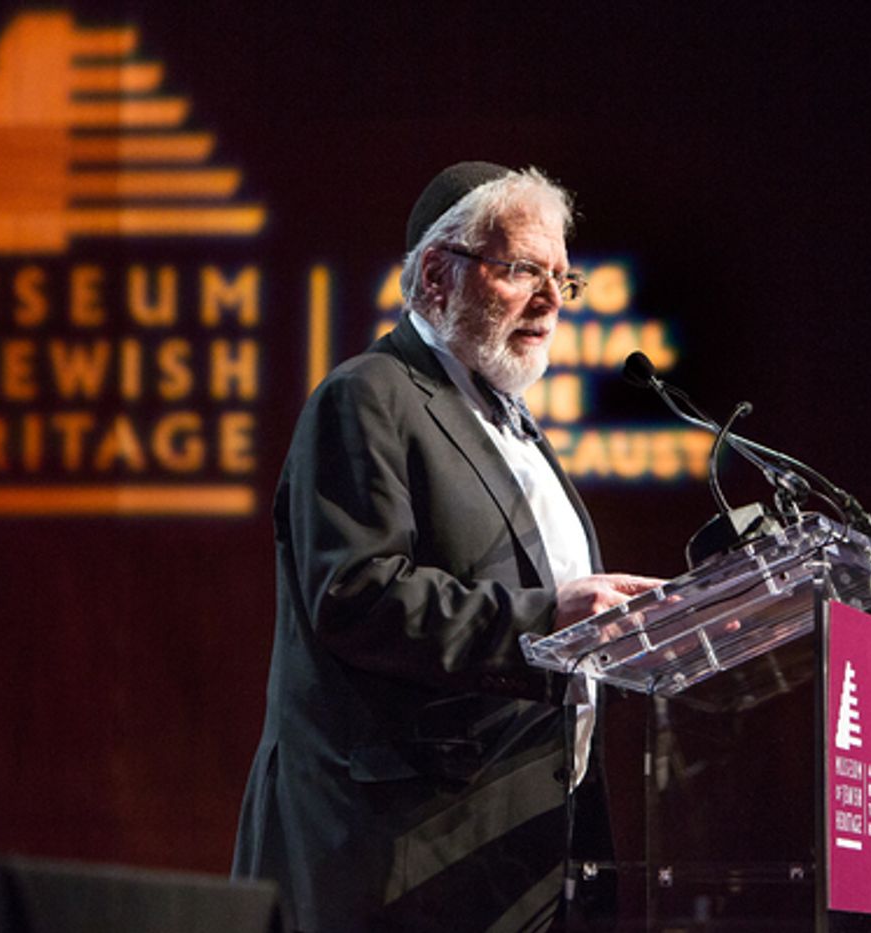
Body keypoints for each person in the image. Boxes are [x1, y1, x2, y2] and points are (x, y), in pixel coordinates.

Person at [232, 161, 661, 932]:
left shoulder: (515, 427)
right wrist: (543, 618)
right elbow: (356, 595)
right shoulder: (371, 395)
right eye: (523, 269)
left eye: (563, 279)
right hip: (402, 855)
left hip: (523, 853)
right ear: (437, 275)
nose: (550, 300)